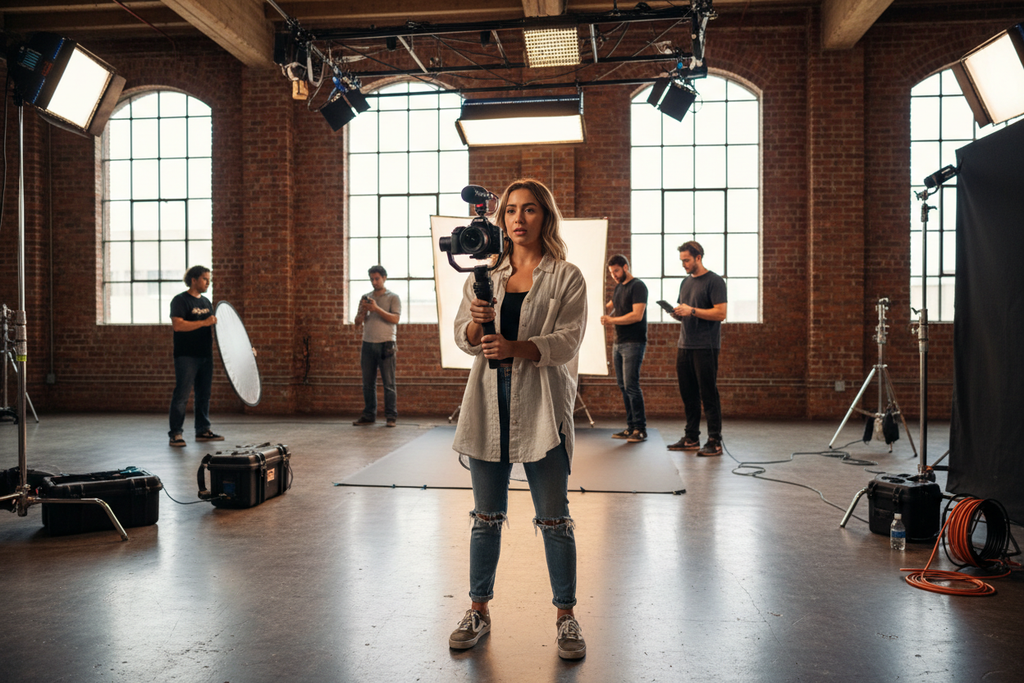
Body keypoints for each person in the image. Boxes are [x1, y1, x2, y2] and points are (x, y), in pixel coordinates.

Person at [448, 179, 588, 660]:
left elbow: (569, 341)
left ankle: (566, 617)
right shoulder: (486, 274)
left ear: (545, 217)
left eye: (529, 210)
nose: (518, 219)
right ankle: (478, 610)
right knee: (485, 518)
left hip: (542, 406)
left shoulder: (566, 277)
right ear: (500, 219)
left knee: (554, 520)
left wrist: (516, 348)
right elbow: (464, 339)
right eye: (510, 211)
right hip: (487, 401)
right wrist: (475, 320)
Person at [667, 241, 728, 456]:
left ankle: (715, 440)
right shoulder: (685, 283)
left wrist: (691, 310)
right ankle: (691, 437)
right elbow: (686, 311)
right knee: (688, 394)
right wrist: (677, 313)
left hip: (706, 346)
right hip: (685, 345)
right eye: (682, 260)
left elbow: (721, 314)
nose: (683, 264)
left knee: (708, 393)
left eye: (686, 260)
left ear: (698, 257)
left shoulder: (715, 281)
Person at [168, 265, 223, 447]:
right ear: (194, 280)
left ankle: (203, 430)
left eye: (209, 279)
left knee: (203, 395)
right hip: (186, 356)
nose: (208, 282)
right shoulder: (180, 301)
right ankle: (176, 433)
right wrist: (203, 322)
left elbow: (216, 327)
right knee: (182, 395)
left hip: (205, 355)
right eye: (205, 279)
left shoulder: (206, 303)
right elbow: (178, 325)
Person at [600, 255, 648, 443]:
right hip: (618, 342)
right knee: (623, 386)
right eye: (611, 273)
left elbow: (637, 315)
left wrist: (610, 320)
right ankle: (630, 428)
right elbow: (610, 307)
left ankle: (640, 429)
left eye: (617, 271)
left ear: (626, 267)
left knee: (631, 386)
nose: (614, 276)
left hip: (634, 343)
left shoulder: (638, 287)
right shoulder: (618, 287)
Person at [353, 265, 401, 427]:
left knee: (389, 383)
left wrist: (376, 309)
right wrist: (363, 311)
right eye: (372, 279)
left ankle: (391, 417)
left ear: (384, 278)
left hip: (386, 343)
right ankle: (368, 415)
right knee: (367, 383)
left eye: (377, 279)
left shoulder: (393, 297)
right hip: (368, 344)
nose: (374, 282)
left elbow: (395, 319)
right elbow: (357, 323)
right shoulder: (366, 297)